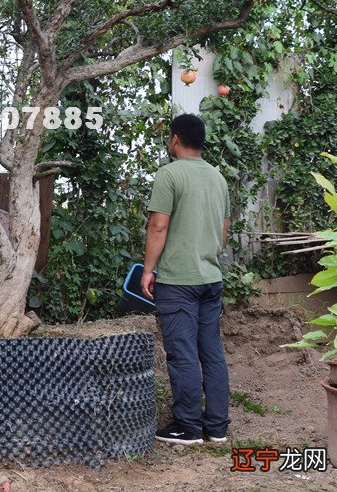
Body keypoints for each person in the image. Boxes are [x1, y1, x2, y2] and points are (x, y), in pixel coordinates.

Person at [140, 113, 231, 446]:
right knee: (212, 352)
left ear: (175, 139)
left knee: (182, 353)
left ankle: (188, 427)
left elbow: (158, 226)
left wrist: (149, 269)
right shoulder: (218, 178)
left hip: (178, 282)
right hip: (211, 278)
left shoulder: (169, 174)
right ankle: (217, 427)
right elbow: (223, 229)